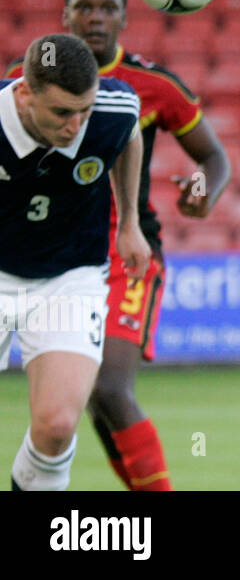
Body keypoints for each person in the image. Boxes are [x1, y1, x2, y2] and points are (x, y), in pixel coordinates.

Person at [5, 0, 232, 491]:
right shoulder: (30, 80)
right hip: (44, 246)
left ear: (126, 18)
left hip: (121, 252)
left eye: (107, 8)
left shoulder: (153, 86)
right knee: (91, 398)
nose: (96, 17)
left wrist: (202, 191)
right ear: (65, 16)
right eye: (84, 7)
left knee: (107, 388)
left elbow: (213, 157)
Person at [2, 34, 149, 491]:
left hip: (70, 274)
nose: (76, 126)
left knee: (58, 425)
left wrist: (129, 221)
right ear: (24, 93)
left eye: (84, 111)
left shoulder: (113, 110)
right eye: (62, 113)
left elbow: (128, 134)